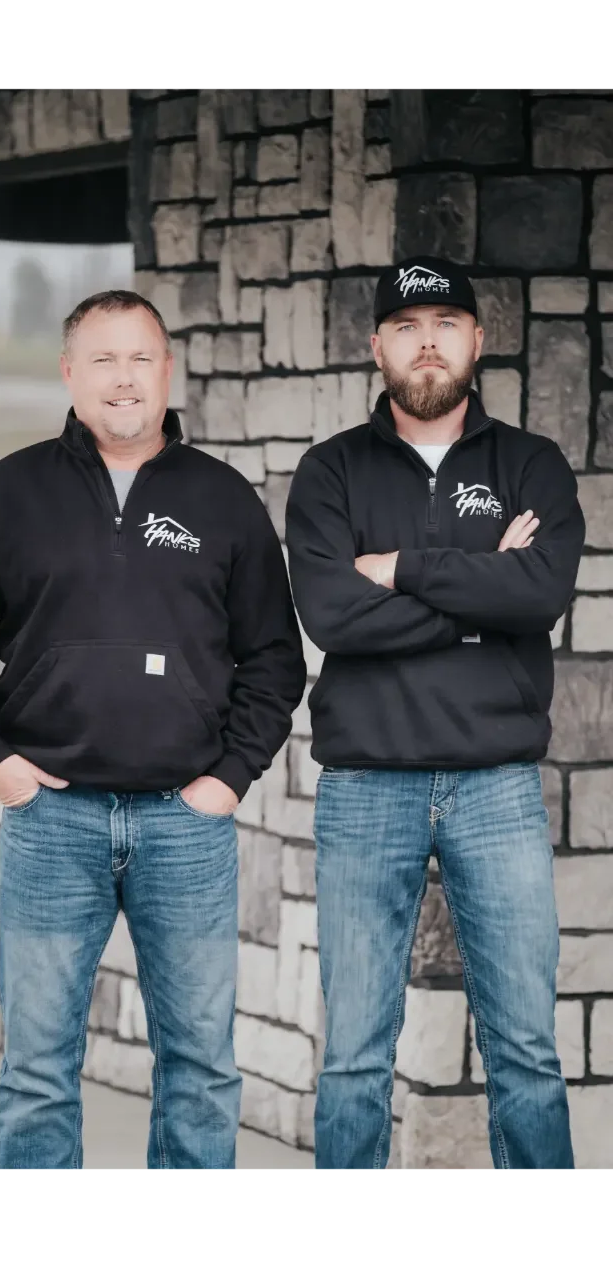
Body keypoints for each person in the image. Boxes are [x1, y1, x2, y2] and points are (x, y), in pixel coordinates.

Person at [0, 289, 306, 1173]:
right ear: (69, 373)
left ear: (167, 371)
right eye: (103, 358)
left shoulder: (222, 498)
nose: (123, 378)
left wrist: (230, 776)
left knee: (201, 1069)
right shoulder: (10, 492)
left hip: (184, 824)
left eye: (140, 358)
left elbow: (275, 658)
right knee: (39, 1071)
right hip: (55, 822)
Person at [285, 256, 584, 1173]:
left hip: (495, 786)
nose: (428, 341)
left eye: (446, 322)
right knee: (353, 1060)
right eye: (407, 325)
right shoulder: (331, 470)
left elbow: (540, 597)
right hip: (367, 785)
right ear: (376, 345)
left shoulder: (529, 463)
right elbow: (332, 614)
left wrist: (402, 567)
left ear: (476, 340)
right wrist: (478, 581)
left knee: (527, 1052)